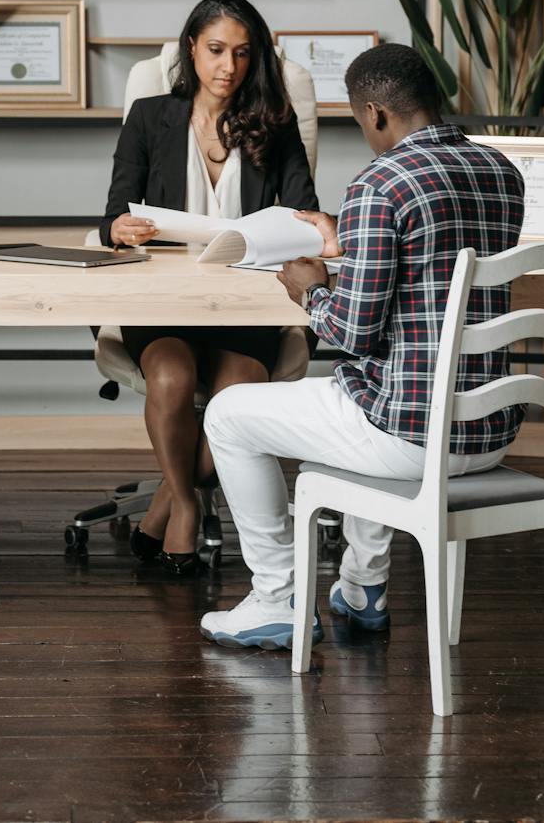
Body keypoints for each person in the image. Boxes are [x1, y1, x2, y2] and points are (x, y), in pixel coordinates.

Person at [197, 42, 525, 648]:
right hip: (489, 432)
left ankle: (275, 597)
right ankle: (360, 589)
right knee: (367, 390)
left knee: (228, 413)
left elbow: (353, 331)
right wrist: (346, 246)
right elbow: (430, 277)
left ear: (375, 113)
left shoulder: (381, 181)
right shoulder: (501, 172)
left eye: (358, 121)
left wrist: (310, 289)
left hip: (413, 438)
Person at [99, 0, 318, 577]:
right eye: (217, 50)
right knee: (171, 377)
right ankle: (189, 502)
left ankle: (170, 499)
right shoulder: (150, 116)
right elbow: (112, 216)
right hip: (165, 301)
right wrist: (120, 227)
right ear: (191, 47)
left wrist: (302, 228)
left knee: (235, 403)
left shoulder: (275, 122)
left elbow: (302, 213)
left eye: (244, 55)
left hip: (246, 305)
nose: (229, 67)